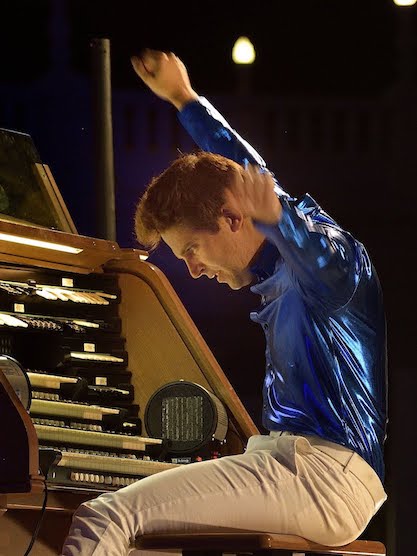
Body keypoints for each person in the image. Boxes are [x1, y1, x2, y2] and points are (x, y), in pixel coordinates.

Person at [61, 50, 388, 556]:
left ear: (234, 219)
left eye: (191, 249)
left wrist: (278, 218)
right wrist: (184, 98)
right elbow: (242, 169)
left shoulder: (332, 262)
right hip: (298, 465)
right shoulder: (271, 231)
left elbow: (318, 252)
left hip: (324, 476)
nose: (192, 270)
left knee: (106, 516)